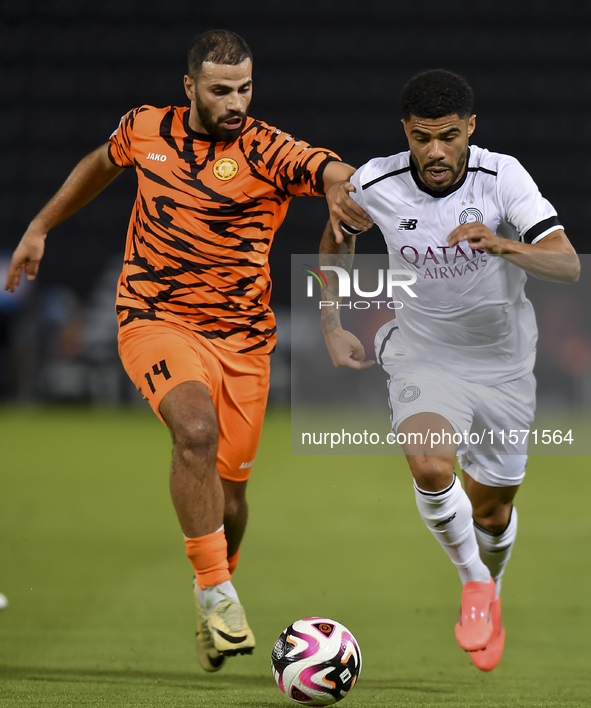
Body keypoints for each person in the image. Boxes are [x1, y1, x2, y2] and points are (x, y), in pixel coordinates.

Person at [4, 29, 363, 673]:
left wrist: (342, 186)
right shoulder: (145, 128)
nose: (236, 103)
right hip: (155, 318)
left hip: (244, 341)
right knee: (193, 429)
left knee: (229, 503)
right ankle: (220, 594)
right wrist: (40, 225)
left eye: (246, 88)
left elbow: (330, 170)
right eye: (221, 90)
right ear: (190, 87)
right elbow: (100, 163)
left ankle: (210, 590)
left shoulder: (268, 149)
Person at [320, 69, 580, 671]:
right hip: (422, 351)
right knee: (431, 461)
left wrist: (504, 244)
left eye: (448, 136)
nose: (435, 152)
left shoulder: (502, 176)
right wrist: (331, 321)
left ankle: (492, 585)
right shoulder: (375, 182)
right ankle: (473, 584)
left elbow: (567, 265)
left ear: (470, 129)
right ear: (405, 133)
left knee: (492, 511)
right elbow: (336, 239)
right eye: (421, 138)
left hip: (503, 365)